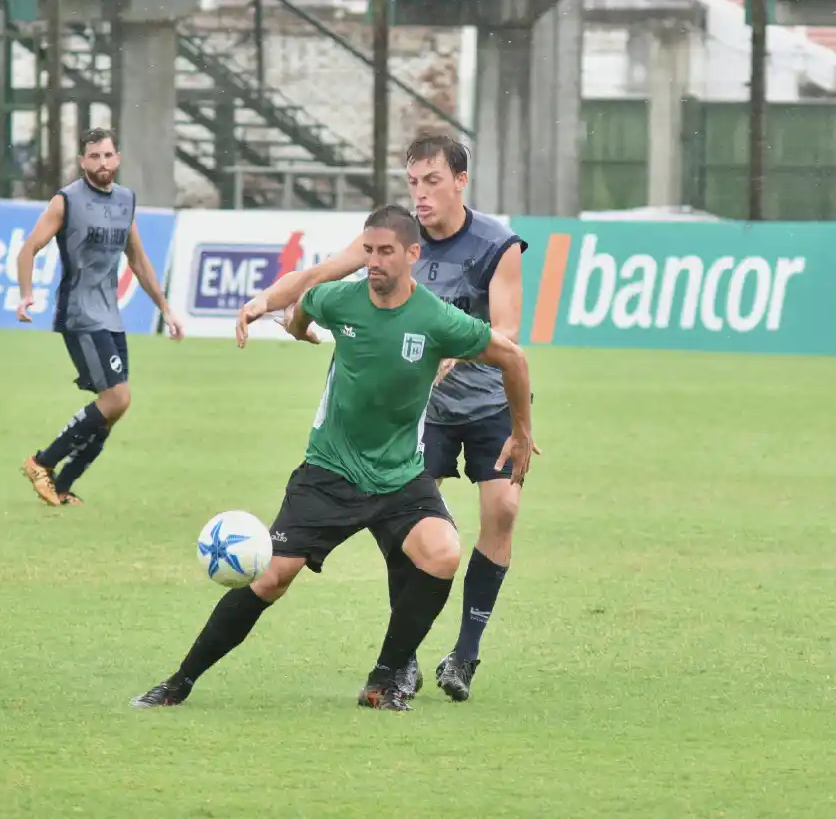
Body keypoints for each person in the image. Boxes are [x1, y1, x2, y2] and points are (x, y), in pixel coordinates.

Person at [132, 204, 535, 712]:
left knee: (443, 553)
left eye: (386, 252)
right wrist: (295, 324)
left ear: (412, 254)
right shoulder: (341, 299)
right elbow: (306, 304)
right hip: (328, 472)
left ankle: (385, 678)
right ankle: (178, 682)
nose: (374, 262)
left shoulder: (436, 318)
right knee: (271, 578)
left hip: (398, 478)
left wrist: (521, 431)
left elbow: (513, 358)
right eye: (368, 251)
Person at [235, 134, 534, 703]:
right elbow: (319, 276)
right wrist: (265, 302)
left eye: (432, 182)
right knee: (413, 535)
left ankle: (465, 653)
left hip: (486, 399)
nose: (420, 194)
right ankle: (404, 660)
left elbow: (510, 333)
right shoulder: (393, 239)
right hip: (420, 412)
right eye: (412, 182)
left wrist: (455, 352)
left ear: (460, 182)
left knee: (505, 508)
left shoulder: (498, 245)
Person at [16, 128, 184, 506]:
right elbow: (28, 249)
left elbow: (138, 261)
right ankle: (42, 462)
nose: (102, 163)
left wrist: (165, 308)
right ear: (82, 162)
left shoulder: (126, 201)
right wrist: (26, 294)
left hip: (110, 316)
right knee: (117, 397)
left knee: (113, 407)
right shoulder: (67, 201)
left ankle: (61, 486)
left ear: (118, 158)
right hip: (79, 314)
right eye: (94, 157)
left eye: (108, 156)